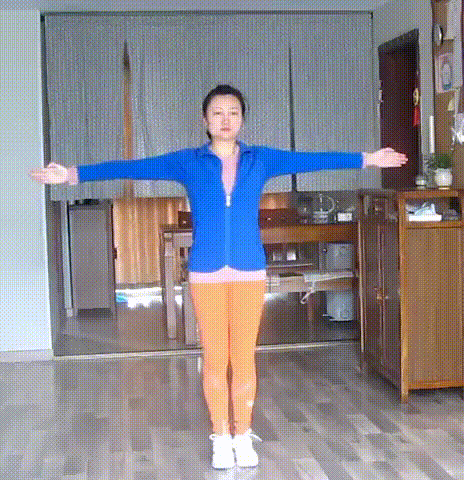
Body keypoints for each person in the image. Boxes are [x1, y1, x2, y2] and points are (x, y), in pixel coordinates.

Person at [30, 84, 407, 469]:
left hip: (249, 270)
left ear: (242, 119)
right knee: (214, 358)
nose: (226, 120)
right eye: (217, 113)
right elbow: (133, 167)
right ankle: (221, 437)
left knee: (243, 357)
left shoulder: (261, 159)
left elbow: (311, 160)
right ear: (205, 120)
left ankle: (242, 434)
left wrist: (368, 158)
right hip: (206, 272)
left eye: (233, 113)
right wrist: (72, 174)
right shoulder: (188, 162)